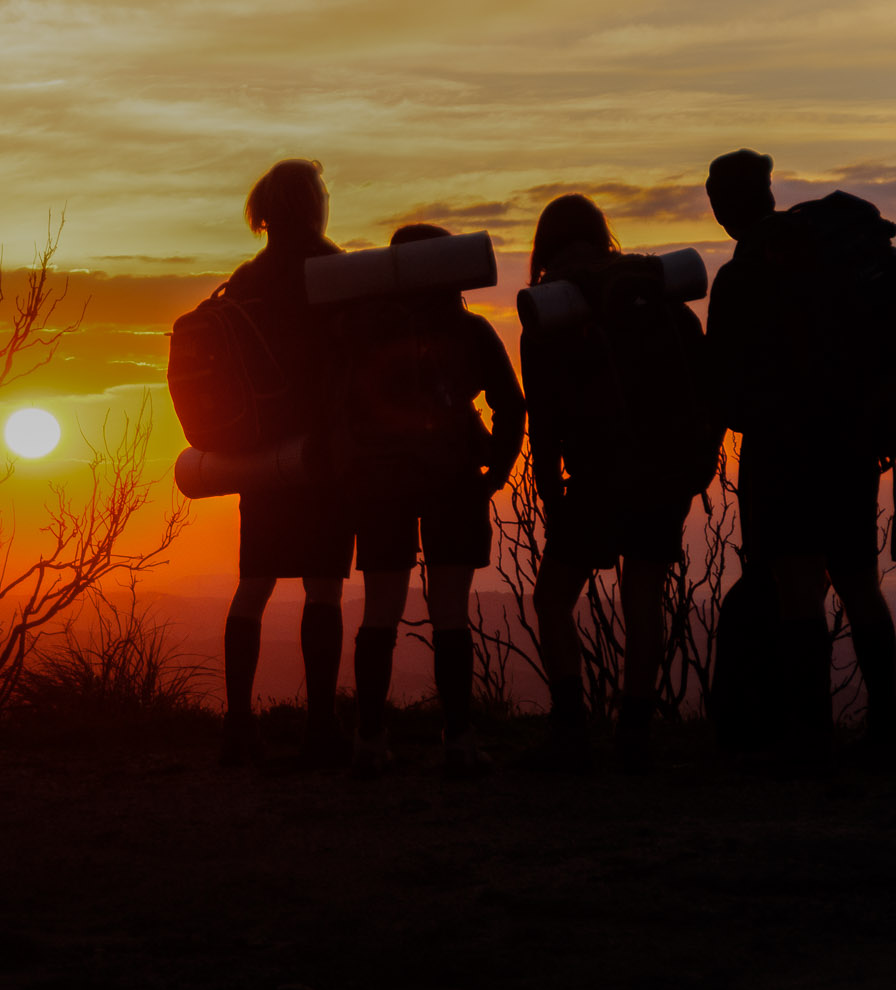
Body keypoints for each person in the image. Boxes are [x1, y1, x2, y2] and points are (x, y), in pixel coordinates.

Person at [704, 149, 896, 766]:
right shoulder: (833, 256)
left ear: (724, 206)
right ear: (768, 193)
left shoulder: (741, 276)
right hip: (849, 442)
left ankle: (810, 732)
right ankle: (886, 723)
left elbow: (723, 382)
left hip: (781, 449)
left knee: (798, 587)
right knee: (859, 584)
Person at [524, 195, 722, 769]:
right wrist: (699, 464)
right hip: (665, 472)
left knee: (552, 598)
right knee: (643, 598)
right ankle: (634, 730)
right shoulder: (661, 300)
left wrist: (550, 492)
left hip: (598, 476)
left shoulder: (552, 314)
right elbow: (704, 390)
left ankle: (570, 728)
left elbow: (545, 419)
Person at [344, 223, 524, 777]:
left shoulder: (367, 331)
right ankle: (460, 740)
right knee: (450, 612)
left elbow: (348, 409)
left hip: (382, 483)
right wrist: (494, 469)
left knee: (380, 612)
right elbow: (511, 404)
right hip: (453, 478)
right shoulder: (470, 329)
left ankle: (370, 740)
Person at [219, 159, 355, 767]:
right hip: (325, 450)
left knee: (253, 587)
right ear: (312, 205)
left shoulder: (246, 279)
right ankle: (320, 727)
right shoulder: (338, 269)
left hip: (261, 455)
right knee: (323, 585)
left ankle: (239, 725)